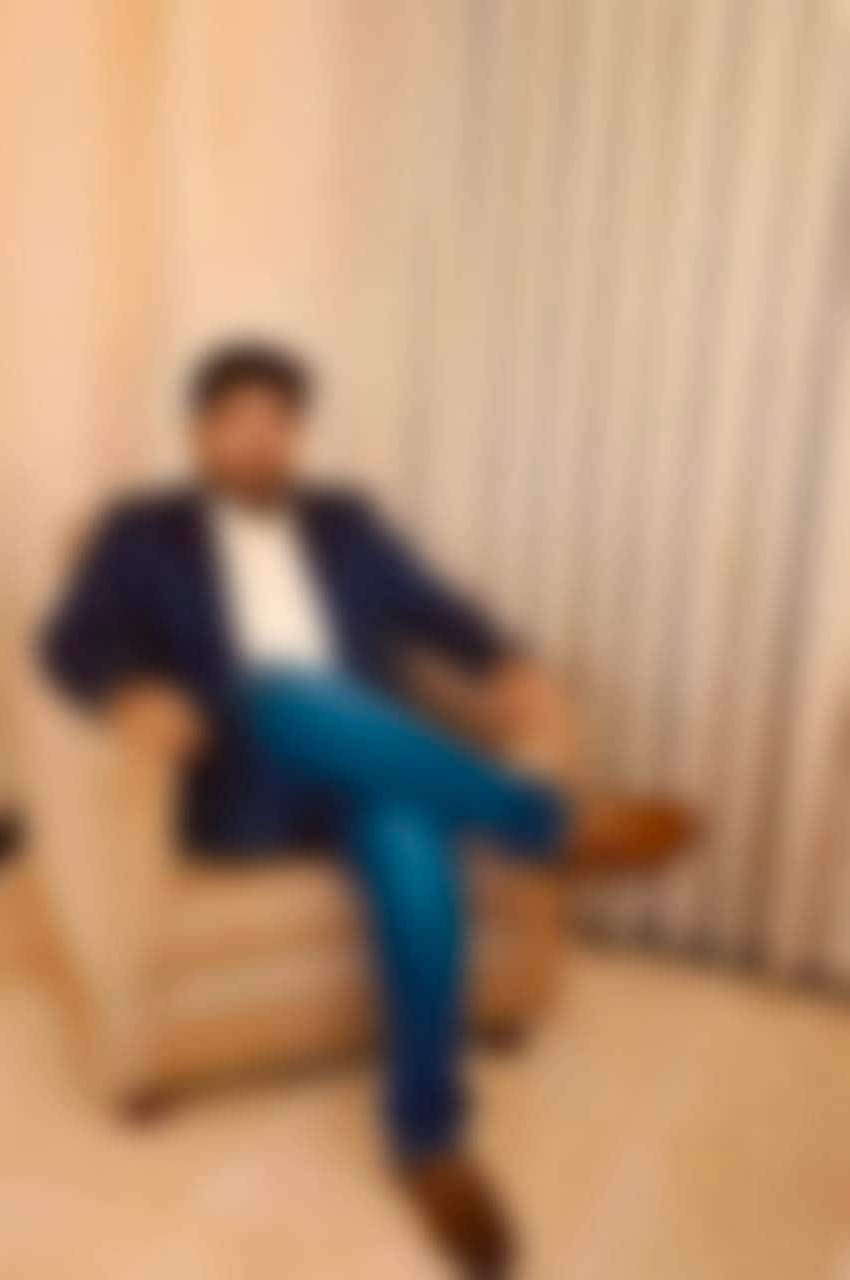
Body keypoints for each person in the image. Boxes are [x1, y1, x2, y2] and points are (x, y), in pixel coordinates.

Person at [41, 339, 694, 1277]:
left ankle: (427, 1142)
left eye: (278, 423)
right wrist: (126, 694)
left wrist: (502, 660)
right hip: (241, 776)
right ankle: (550, 826)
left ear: (295, 436)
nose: (260, 441)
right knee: (286, 693)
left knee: (410, 837)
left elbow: (433, 607)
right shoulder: (140, 532)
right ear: (199, 434)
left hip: (364, 758)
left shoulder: (343, 520)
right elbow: (68, 644)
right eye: (238, 423)